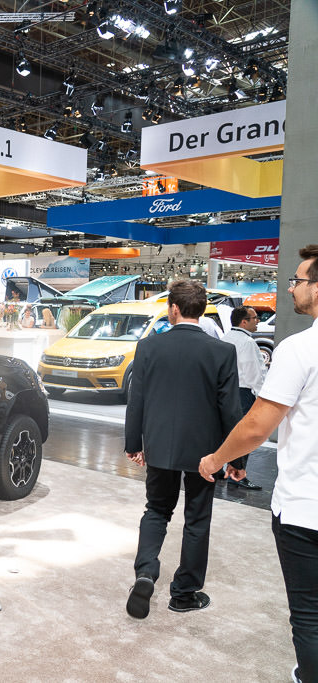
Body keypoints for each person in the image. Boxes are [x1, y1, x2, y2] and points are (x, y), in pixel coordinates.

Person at [199, 245, 318, 683]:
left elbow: (256, 428)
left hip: (307, 506)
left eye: (299, 280)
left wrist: (215, 459)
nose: (291, 287)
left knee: (309, 614)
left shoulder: (301, 347)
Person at [124, 279, 241, 620]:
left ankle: (145, 573)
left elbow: (137, 403)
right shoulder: (222, 352)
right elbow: (231, 410)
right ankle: (184, 593)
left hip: (160, 446)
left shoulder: (149, 348)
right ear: (202, 309)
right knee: (197, 518)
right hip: (206, 454)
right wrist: (235, 458)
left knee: (156, 510)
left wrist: (134, 444)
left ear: (173, 308)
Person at [219, 305, 266, 491]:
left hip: (225, 392)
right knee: (244, 436)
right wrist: (262, 396)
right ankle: (238, 473)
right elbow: (254, 373)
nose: (258, 321)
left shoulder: (225, 339)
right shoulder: (247, 343)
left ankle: (222, 470)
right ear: (244, 321)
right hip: (243, 393)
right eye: (255, 318)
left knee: (226, 433)